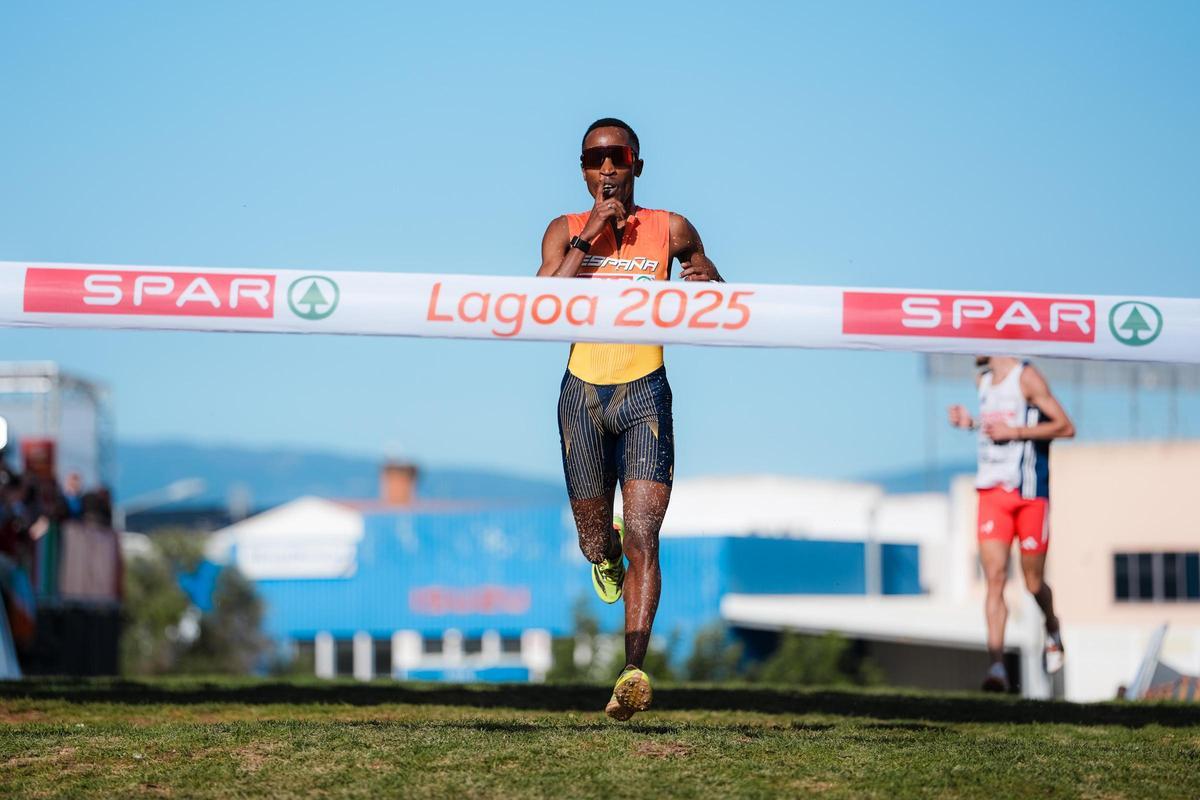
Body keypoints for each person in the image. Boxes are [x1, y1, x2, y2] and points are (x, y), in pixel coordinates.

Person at [537, 118, 722, 719]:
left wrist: (710, 282)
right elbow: (542, 305)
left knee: (645, 532)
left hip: (645, 392)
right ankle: (603, 552)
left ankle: (632, 671)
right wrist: (589, 236)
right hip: (583, 395)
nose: (607, 168)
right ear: (584, 170)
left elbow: (710, 283)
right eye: (594, 160)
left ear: (637, 164)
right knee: (599, 542)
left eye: (617, 157)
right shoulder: (564, 230)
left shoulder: (671, 228)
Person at [948, 356, 1075, 692]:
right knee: (995, 578)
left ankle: (1052, 627)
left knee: (1033, 584)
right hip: (991, 491)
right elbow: (995, 428)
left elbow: (1066, 426)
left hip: (1030, 493)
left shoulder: (1027, 377)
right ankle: (997, 667)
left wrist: (1015, 432)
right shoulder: (984, 382)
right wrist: (971, 424)